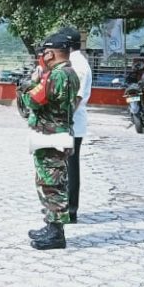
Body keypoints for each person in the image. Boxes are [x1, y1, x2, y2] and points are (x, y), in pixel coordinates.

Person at [22, 31, 80, 251]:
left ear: (52, 53)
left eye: (45, 53)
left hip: (51, 137)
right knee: (51, 182)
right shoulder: (69, 73)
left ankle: (56, 234)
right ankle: (50, 226)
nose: (43, 56)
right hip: (56, 135)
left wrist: (32, 82)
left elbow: (32, 100)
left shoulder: (56, 76)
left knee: (51, 184)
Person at [60, 27, 91, 224]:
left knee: (70, 167)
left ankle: (71, 210)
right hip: (70, 122)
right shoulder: (74, 62)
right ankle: (65, 208)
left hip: (72, 123)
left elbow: (76, 98)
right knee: (65, 166)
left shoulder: (79, 66)